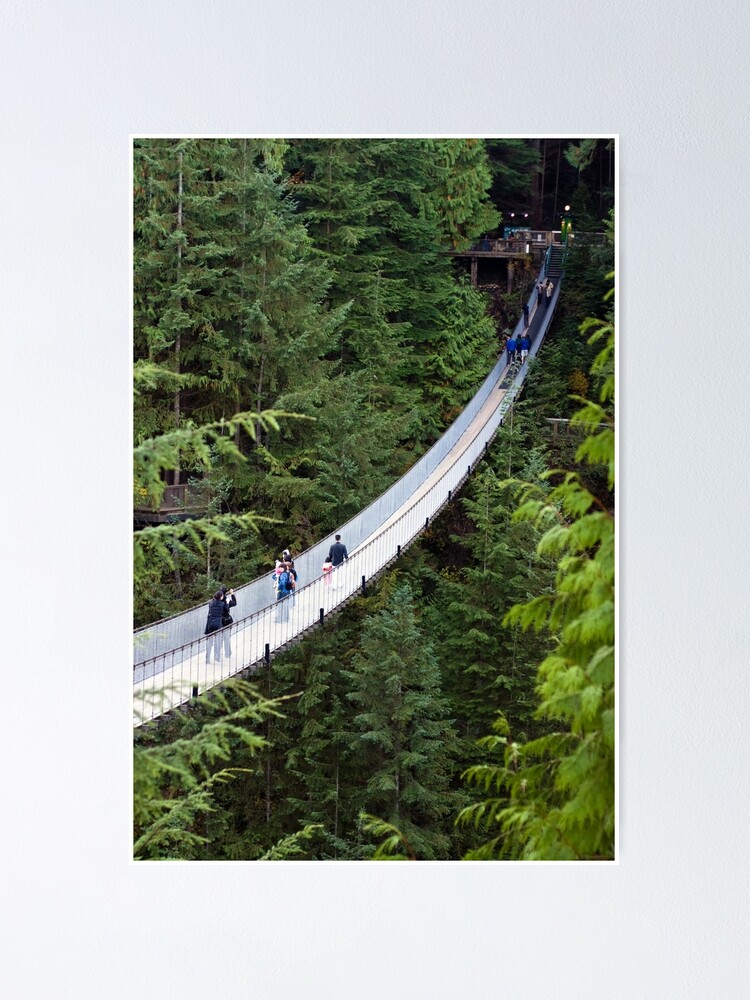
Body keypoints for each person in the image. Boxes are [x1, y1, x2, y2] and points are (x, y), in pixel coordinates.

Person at [204, 589, 225, 663]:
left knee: (209, 642)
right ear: (221, 597)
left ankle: (207, 658)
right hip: (218, 624)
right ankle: (217, 657)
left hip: (210, 624)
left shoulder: (210, 603)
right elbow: (225, 608)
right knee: (218, 641)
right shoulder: (222, 604)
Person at [220, 585, 237, 657]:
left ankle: (218, 654)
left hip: (219, 622)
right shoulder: (227, 600)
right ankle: (228, 653)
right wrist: (232, 593)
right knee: (226, 637)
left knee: (219, 638)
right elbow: (234, 603)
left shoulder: (215, 601)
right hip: (227, 621)